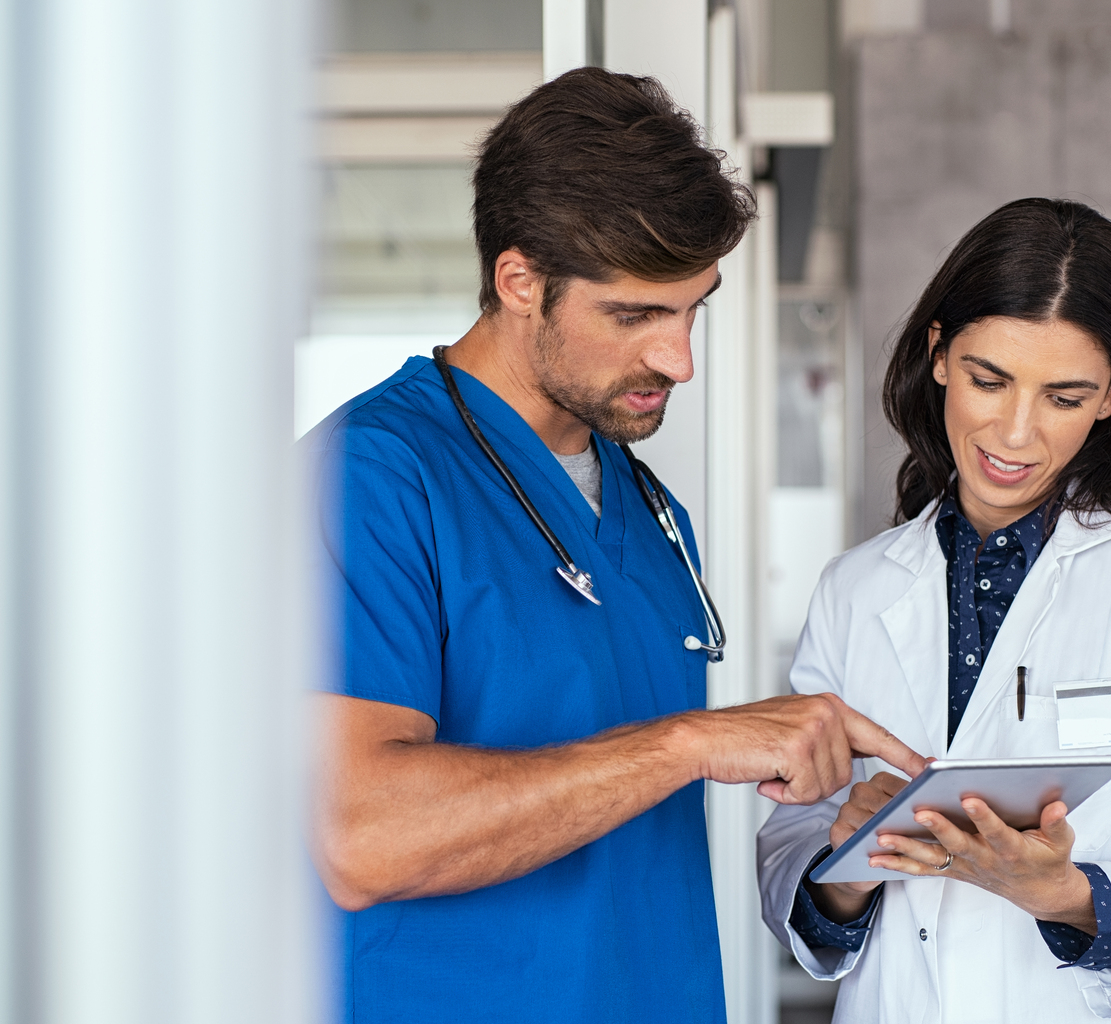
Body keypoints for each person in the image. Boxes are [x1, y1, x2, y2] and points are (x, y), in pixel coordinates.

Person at [305, 68, 925, 1024]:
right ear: (519, 280)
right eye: (635, 316)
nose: (678, 359)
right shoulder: (369, 480)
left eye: (692, 310)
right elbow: (361, 835)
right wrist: (686, 743)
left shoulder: (648, 507)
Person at [757, 199, 1111, 1023]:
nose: (1015, 432)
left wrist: (1071, 896)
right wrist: (846, 868)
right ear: (939, 355)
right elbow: (789, 853)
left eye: (1064, 396)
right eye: (989, 380)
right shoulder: (855, 588)